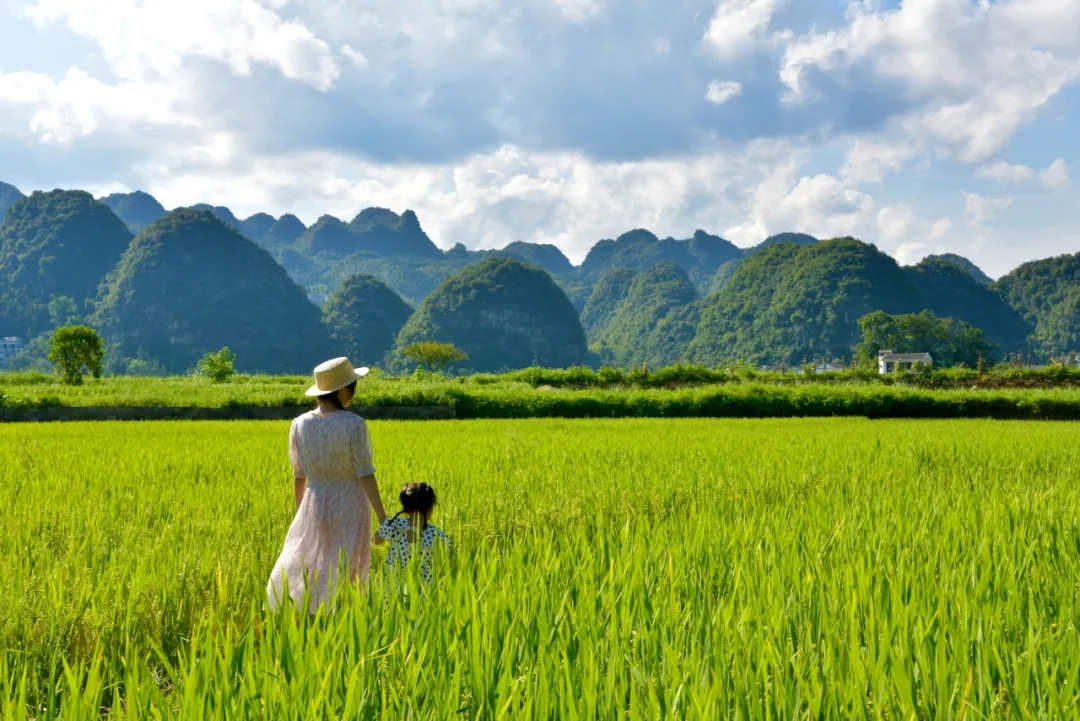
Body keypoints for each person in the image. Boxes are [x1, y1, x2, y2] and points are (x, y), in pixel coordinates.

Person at [267, 357, 389, 613]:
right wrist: (382, 516)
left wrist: (301, 510)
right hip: (350, 503)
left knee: (312, 560)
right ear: (343, 390)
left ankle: (307, 612)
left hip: (315, 500)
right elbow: (365, 472)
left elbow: (299, 474)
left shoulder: (299, 424)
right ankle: (341, 618)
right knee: (346, 564)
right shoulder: (354, 424)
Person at [375, 482, 450, 586]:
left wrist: (385, 524)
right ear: (430, 509)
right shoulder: (439, 535)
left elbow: (376, 540)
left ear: (406, 509)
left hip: (391, 584)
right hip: (422, 587)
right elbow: (443, 565)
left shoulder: (394, 524)